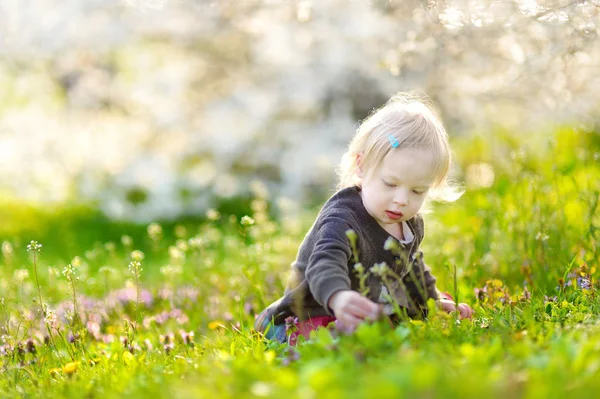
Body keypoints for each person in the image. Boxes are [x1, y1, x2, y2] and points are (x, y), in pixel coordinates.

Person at [254, 92, 473, 345]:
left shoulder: (410, 223)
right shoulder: (342, 218)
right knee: (328, 339)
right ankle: (270, 322)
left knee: (391, 322)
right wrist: (338, 297)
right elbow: (323, 264)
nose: (401, 200)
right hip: (314, 308)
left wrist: (433, 301)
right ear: (361, 166)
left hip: (366, 305)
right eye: (390, 184)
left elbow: (411, 267)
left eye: (417, 191)